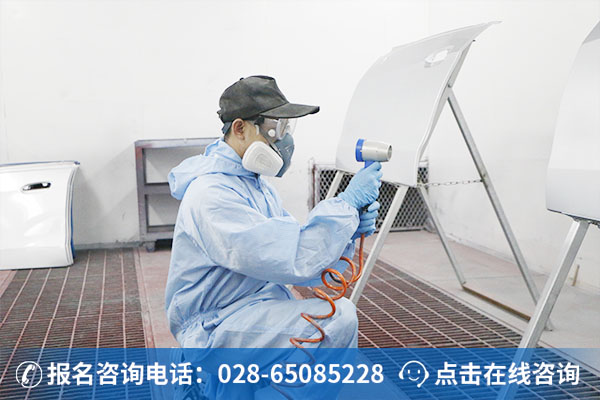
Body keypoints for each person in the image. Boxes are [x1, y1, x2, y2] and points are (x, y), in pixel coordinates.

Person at [165, 75, 382, 351]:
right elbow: (290, 256)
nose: (284, 139)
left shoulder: (255, 186)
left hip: (248, 309)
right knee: (338, 319)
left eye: (287, 127)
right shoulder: (212, 194)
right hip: (214, 326)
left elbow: (295, 251)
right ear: (240, 128)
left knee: (326, 320)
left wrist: (348, 230)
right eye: (275, 128)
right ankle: (207, 371)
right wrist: (346, 206)